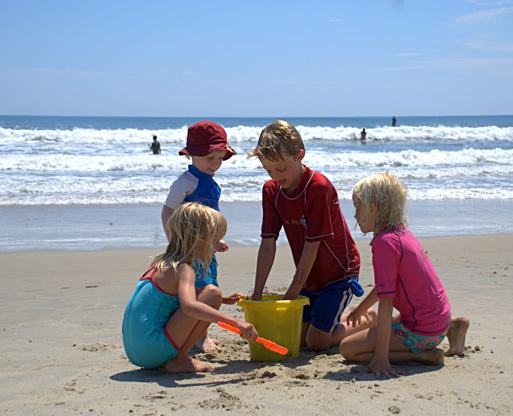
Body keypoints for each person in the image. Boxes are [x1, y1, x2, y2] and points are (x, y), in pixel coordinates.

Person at [248, 120, 365, 352]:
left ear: (299, 155)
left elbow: (313, 245)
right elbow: (268, 243)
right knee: (296, 338)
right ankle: (341, 317)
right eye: (269, 170)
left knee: (316, 342)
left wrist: (292, 293)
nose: (275, 176)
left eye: (281, 169)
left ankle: (367, 319)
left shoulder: (318, 187)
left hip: (339, 275)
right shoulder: (271, 191)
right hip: (310, 278)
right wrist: (257, 293)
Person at [339, 172, 469, 377]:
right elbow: (386, 286)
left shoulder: (384, 243)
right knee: (373, 322)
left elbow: (387, 301)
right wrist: (362, 308)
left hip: (422, 331)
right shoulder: (402, 233)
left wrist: (381, 357)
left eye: (358, 207)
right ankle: (453, 326)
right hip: (438, 319)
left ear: (373, 208)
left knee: (349, 349)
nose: (354, 215)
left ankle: (424, 356)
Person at [122, 202, 257, 373]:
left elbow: (171, 300)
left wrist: (223, 300)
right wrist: (236, 322)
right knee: (213, 293)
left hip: (136, 351)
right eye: (215, 239)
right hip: (153, 349)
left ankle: (175, 358)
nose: (218, 245)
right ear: (198, 239)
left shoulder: (161, 264)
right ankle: (179, 360)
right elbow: (189, 306)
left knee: (213, 295)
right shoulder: (184, 268)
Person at [161, 120, 236, 353]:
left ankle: (200, 334)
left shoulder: (212, 184)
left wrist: (215, 240)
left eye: (219, 158)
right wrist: (175, 243)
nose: (215, 164)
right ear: (192, 155)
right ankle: (198, 337)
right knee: (197, 291)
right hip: (189, 250)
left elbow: (210, 219)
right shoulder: (186, 182)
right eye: (209, 158)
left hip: (207, 250)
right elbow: (168, 212)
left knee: (210, 286)